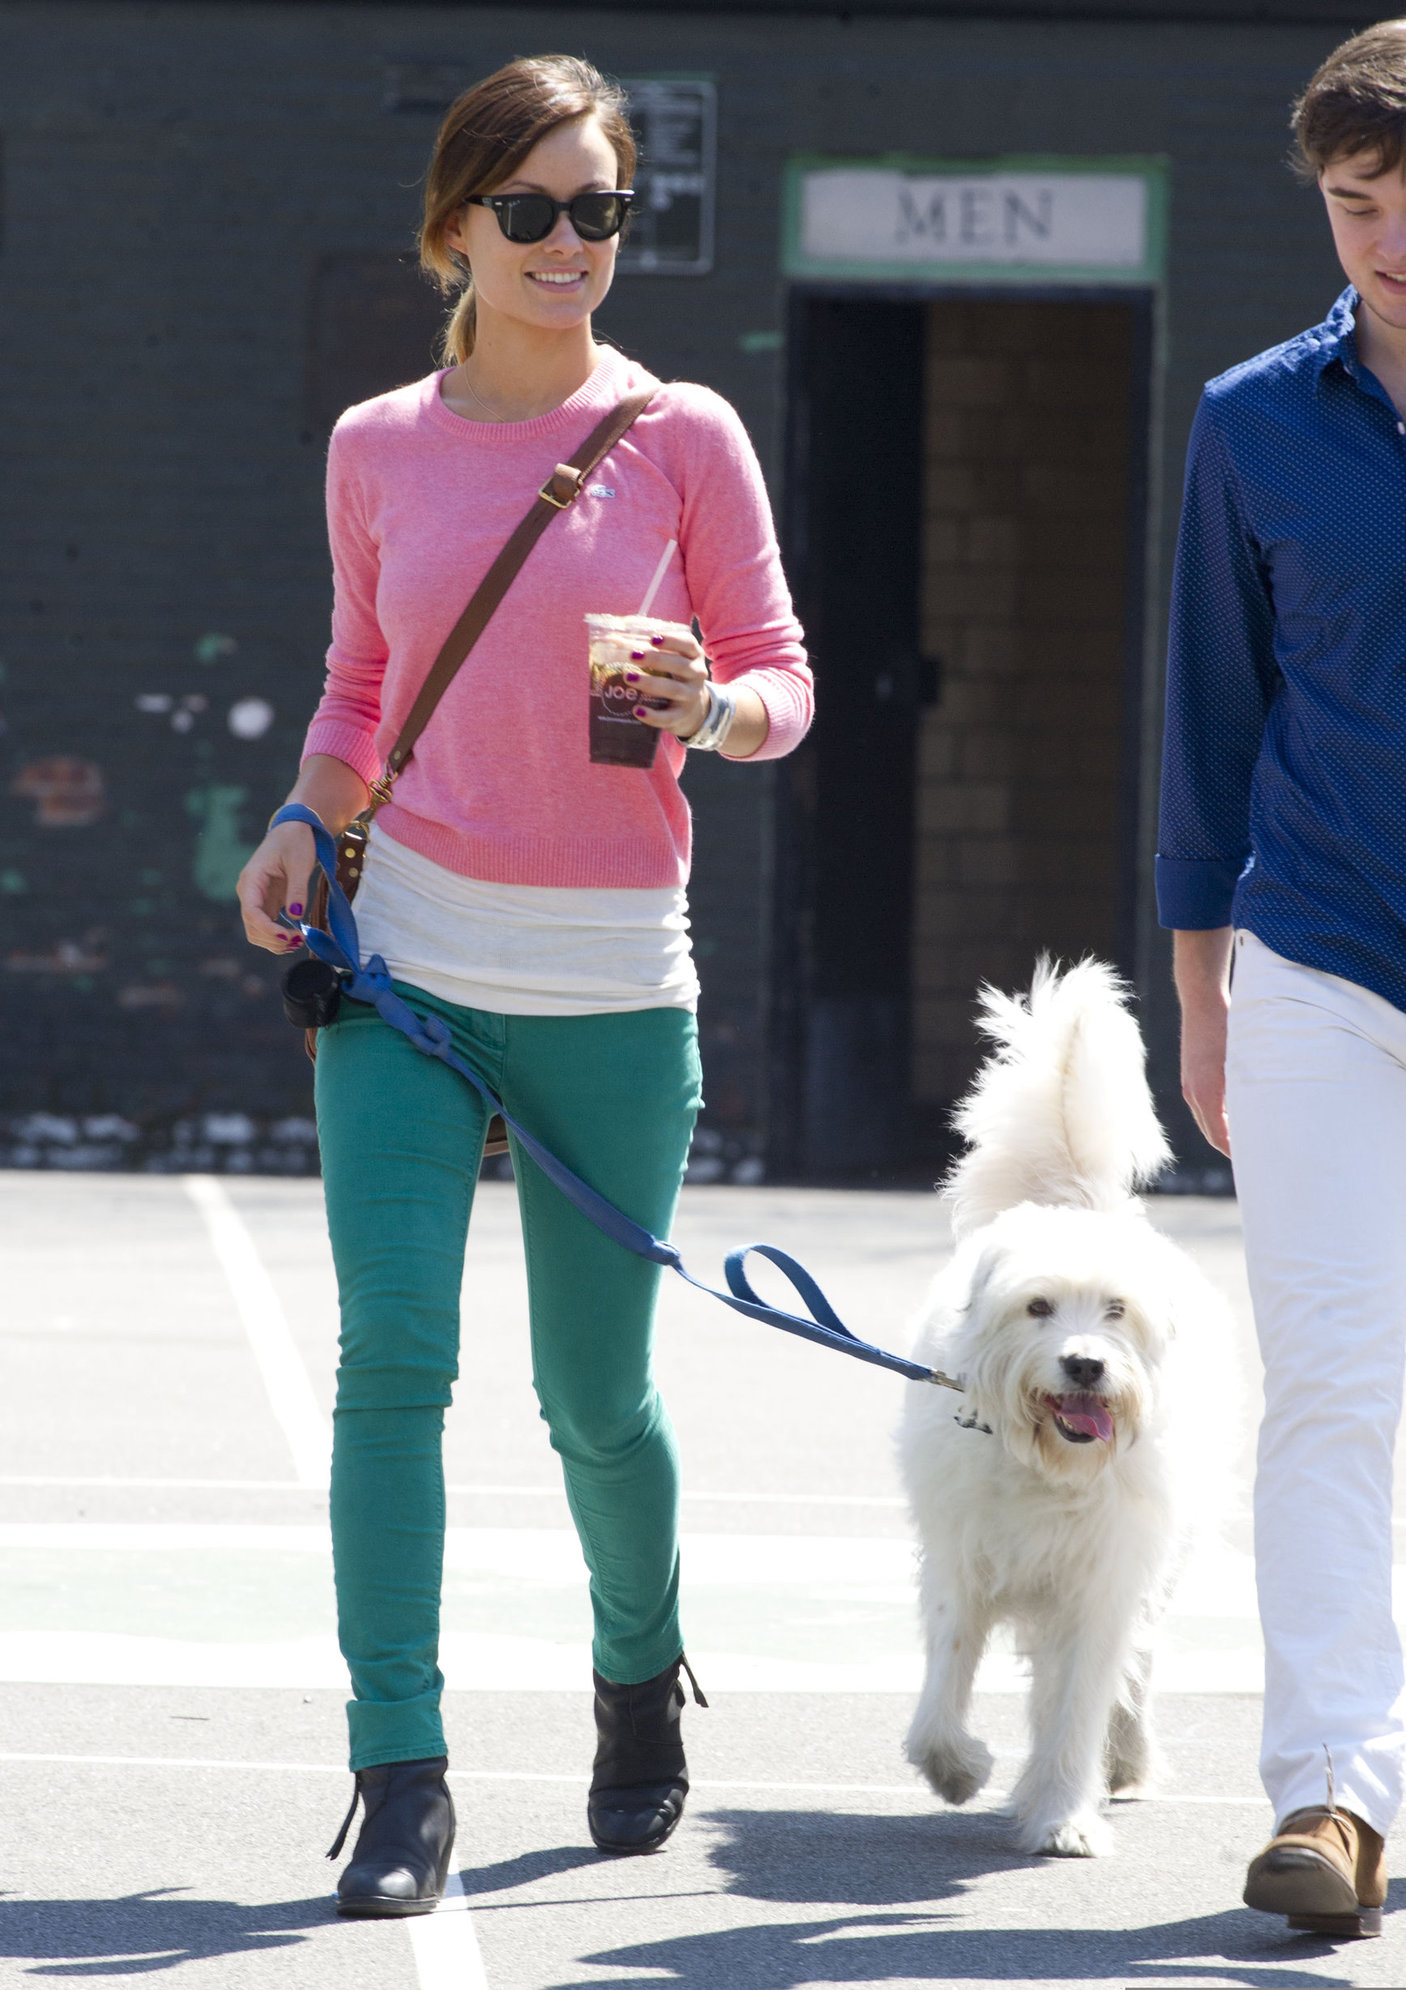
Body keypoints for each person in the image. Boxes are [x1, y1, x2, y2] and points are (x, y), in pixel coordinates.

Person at [236, 54, 812, 1917]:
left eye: (600, 209)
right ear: (457, 227)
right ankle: (397, 1768)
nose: (570, 243)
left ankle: (637, 1672)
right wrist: (302, 820)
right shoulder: (375, 445)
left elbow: (780, 674)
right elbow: (359, 686)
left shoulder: (683, 434)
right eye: (534, 208)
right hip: (403, 968)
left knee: (596, 1400)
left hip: (614, 982)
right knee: (392, 1363)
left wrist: (715, 710)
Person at [1158, 19, 1406, 1941]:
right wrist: (1201, 990)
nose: (1387, 241)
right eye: (1353, 205)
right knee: (1326, 1379)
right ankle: (1331, 1793)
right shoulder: (1250, 422)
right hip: (1315, 957)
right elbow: (1210, 714)